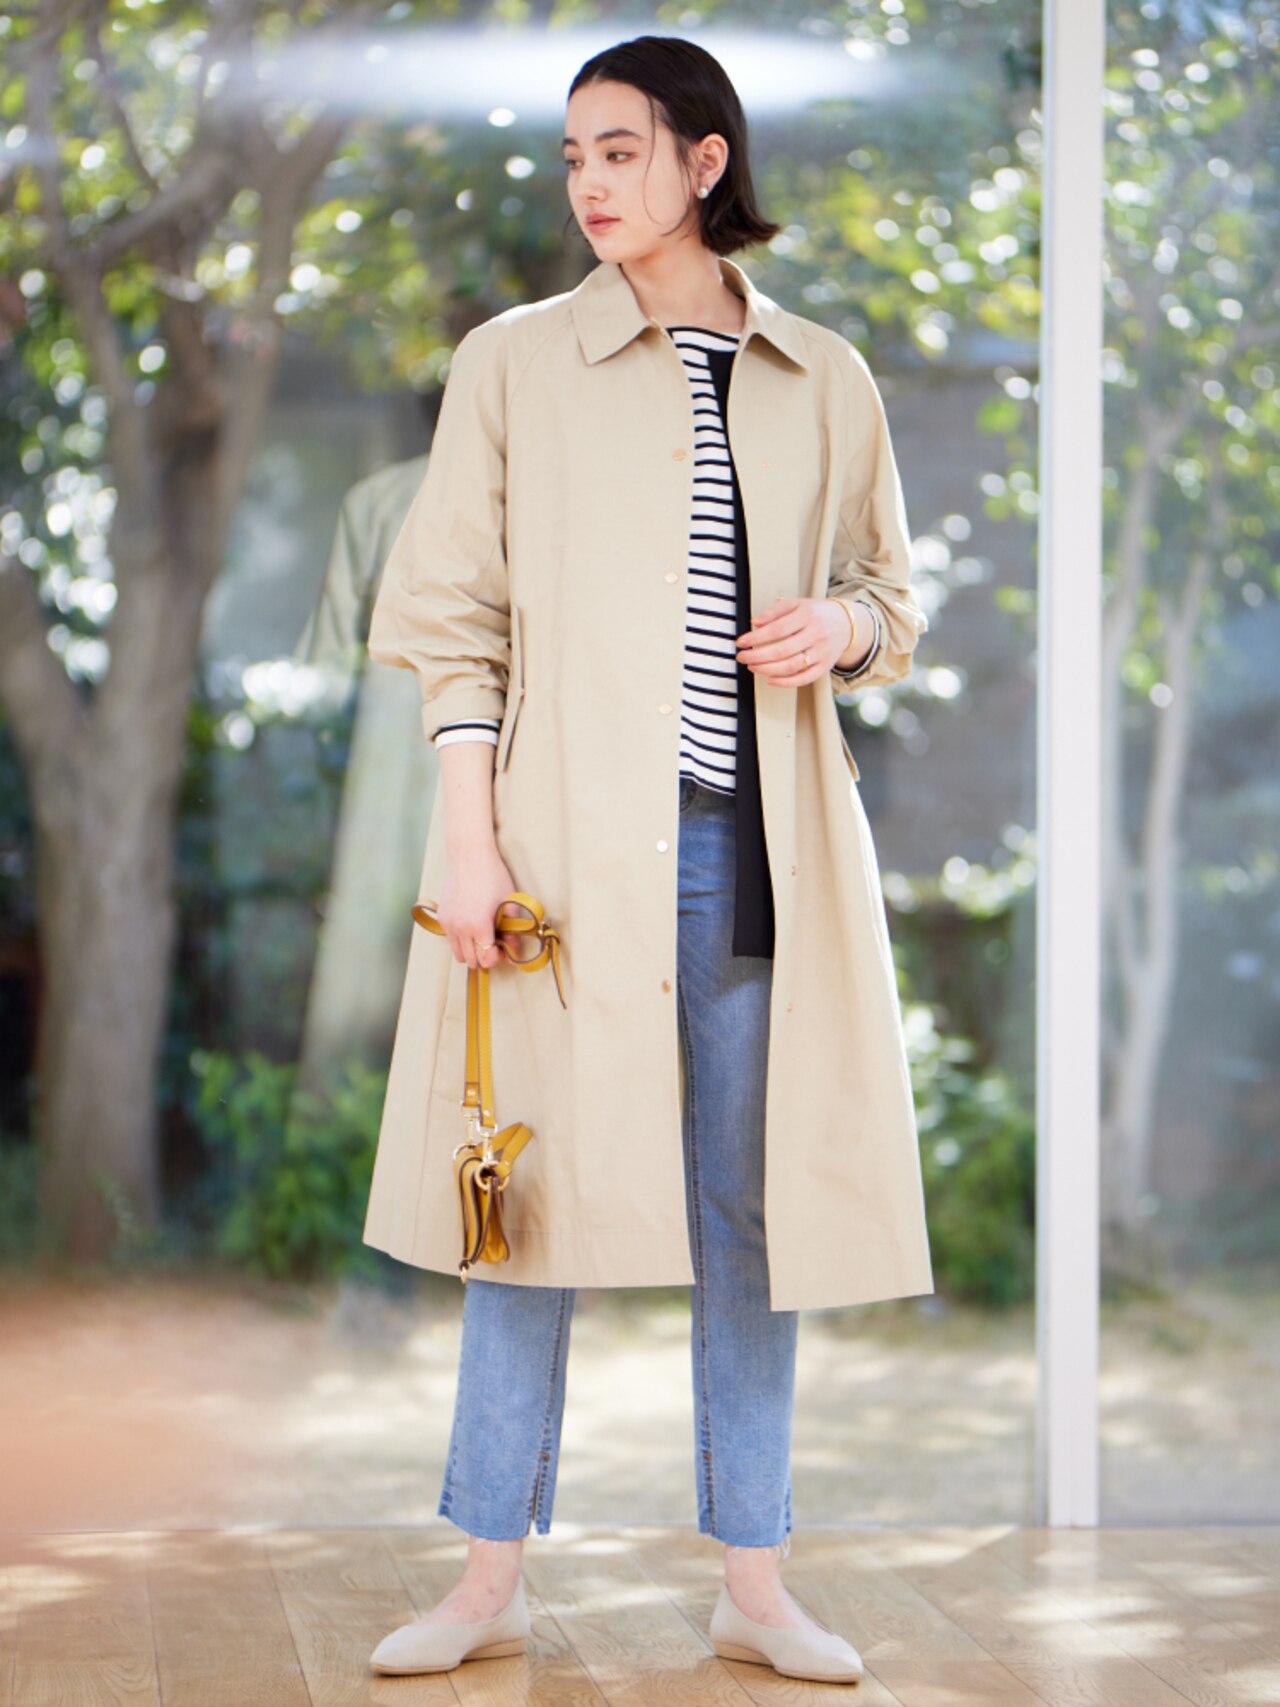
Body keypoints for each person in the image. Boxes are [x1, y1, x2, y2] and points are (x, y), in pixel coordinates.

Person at [365, 32, 931, 1686]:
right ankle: (487, 1575)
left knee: (754, 1216)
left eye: (620, 150)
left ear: (704, 160)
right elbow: (454, 626)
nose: (590, 185)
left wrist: (843, 628)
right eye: (572, 158)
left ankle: (756, 1582)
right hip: (557, 859)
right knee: (520, 1201)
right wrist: (469, 845)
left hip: (757, 859)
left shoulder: (824, 375)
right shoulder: (514, 364)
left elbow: (892, 600)